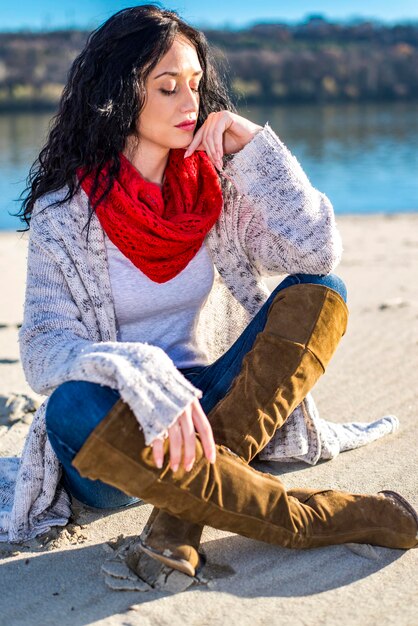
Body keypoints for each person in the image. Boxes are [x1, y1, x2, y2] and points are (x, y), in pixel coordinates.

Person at [5, 5, 417, 577]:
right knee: (69, 404)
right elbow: (44, 350)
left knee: (320, 293)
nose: (189, 102)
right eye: (168, 87)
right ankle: (309, 520)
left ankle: (181, 518)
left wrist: (258, 151)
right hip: (125, 429)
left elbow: (316, 253)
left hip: (216, 408)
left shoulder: (217, 187)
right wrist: (136, 368)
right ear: (121, 94)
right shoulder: (65, 216)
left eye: (195, 84)